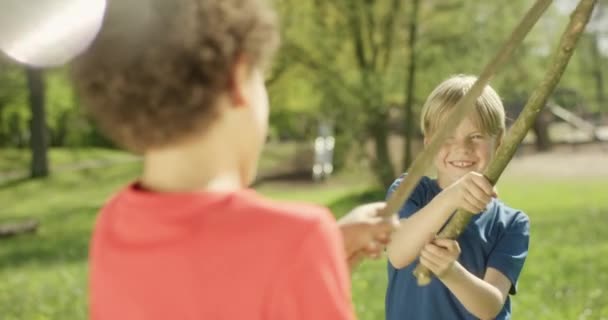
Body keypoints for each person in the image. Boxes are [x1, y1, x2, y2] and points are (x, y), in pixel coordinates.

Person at [71, 0, 397, 319]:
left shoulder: (114, 223)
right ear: (237, 78)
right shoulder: (299, 239)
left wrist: (325, 254)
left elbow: (205, 283)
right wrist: (314, 255)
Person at [385, 75, 530, 320]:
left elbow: (490, 306)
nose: (462, 147)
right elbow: (398, 252)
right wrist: (450, 198)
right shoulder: (410, 189)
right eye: (447, 136)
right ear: (429, 143)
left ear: (500, 143)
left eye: (476, 136)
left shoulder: (512, 223)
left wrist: (451, 272)